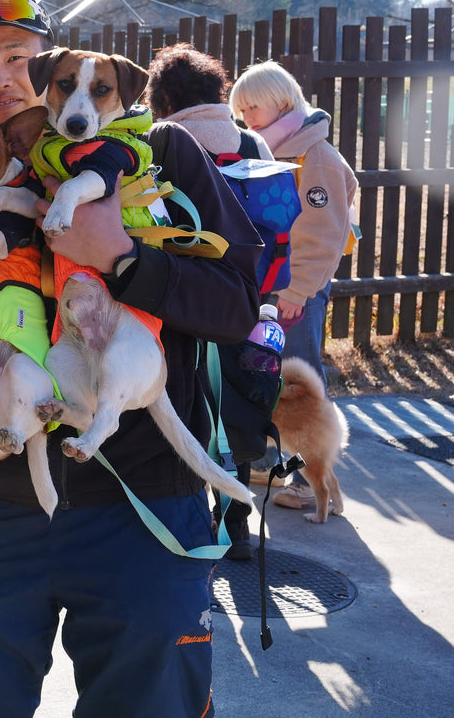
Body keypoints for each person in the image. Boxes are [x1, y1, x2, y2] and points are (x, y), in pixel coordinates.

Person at [0, 0, 262, 717]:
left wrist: (127, 257)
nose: (0, 77)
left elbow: (236, 304)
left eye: (17, 56)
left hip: (142, 502)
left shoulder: (156, 153)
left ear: (53, 64)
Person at [147, 43, 276, 559]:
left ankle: (191, 517)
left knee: (186, 404)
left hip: (180, 300)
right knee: (234, 405)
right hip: (245, 303)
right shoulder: (251, 143)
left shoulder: (163, 144)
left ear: (166, 97)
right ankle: (238, 522)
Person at [230, 60, 358, 512]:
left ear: (282, 101)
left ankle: (309, 482)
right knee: (275, 373)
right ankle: (291, 466)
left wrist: (297, 289)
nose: (246, 116)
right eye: (240, 109)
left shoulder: (314, 156)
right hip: (277, 283)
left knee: (302, 384)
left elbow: (321, 234)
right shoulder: (279, 150)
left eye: (254, 106)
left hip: (295, 288)